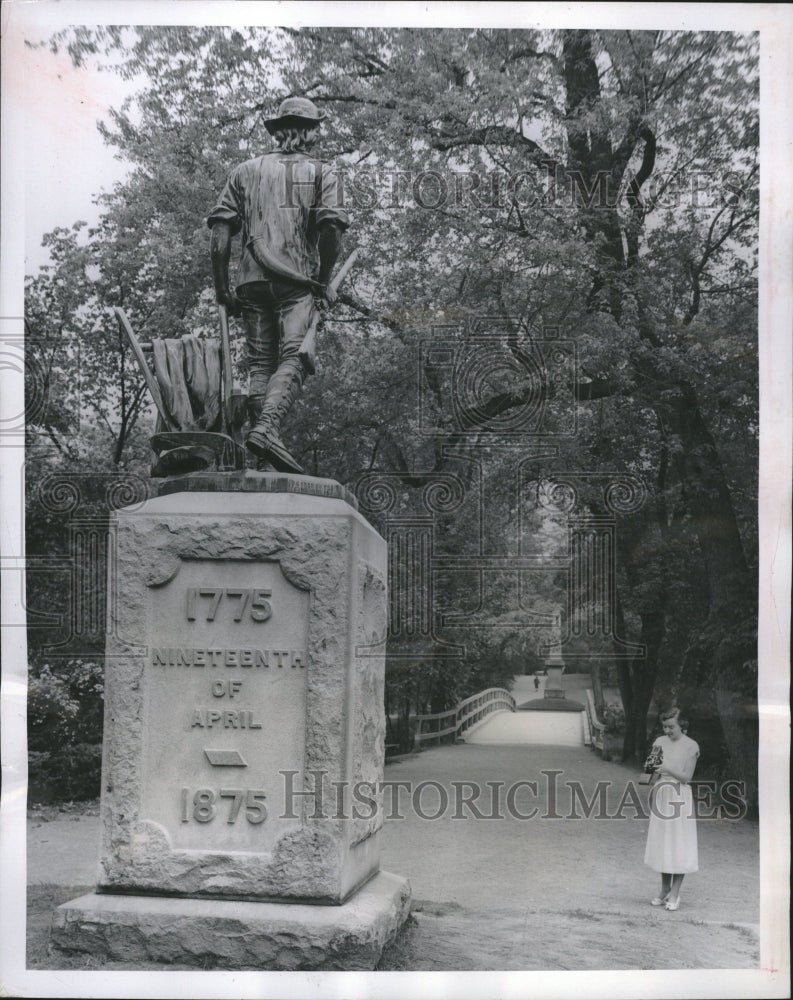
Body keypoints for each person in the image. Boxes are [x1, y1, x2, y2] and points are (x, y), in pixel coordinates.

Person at [207, 96, 349, 473]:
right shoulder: (323, 173)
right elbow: (331, 229)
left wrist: (223, 288)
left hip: (250, 283)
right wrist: (321, 281)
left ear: (280, 131)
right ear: (308, 132)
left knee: (261, 364)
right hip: (296, 282)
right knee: (297, 356)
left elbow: (219, 236)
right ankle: (267, 428)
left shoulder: (244, 171)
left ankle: (265, 451)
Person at [643, 707, 700, 910]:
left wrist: (667, 768)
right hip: (662, 794)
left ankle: (676, 893)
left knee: (678, 843)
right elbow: (651, 772)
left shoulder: (691, 746)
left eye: (671, 727)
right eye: (664, 727)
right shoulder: (659, 742)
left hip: (679, 795)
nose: (667, 731)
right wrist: (650, 775)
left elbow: (687, 777)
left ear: (682, 726)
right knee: (663, 843)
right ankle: (664, 889)